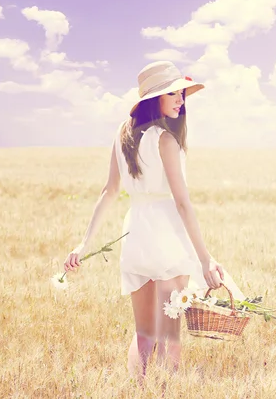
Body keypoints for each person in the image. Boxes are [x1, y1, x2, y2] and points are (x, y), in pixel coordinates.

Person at [63, 60, 246, 384]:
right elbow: (181, 203)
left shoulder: (123, 136)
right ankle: (163, 393)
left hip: (135, 236)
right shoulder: (166, 140)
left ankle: (138, 389)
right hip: (166, 238)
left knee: (144, 331)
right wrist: (205, 260)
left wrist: (84, 243)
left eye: (181, 94)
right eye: (173, 94)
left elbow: (109, 191)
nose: (180, 100)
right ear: (154, 99)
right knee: (169, 334)